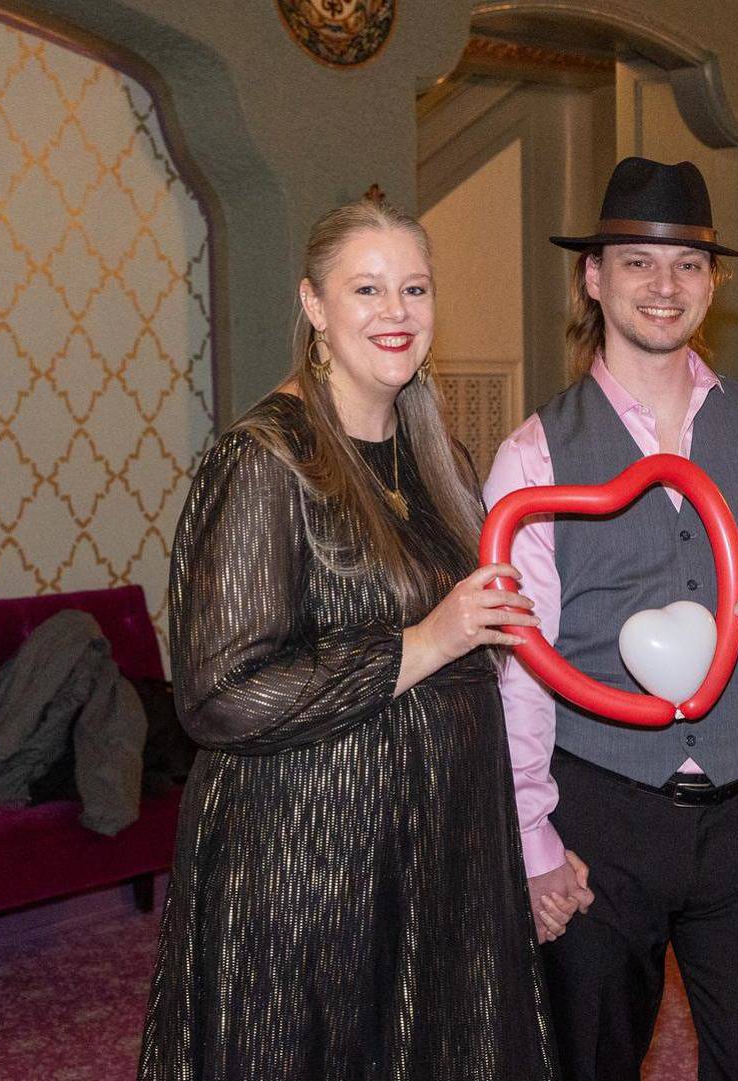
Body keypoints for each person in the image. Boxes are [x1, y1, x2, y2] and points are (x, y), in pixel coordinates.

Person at [139, 201, 557, 1080]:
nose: (395, 311)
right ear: (314, 305)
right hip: (310, 863)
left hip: (436, 856)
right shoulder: (264, 458)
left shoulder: (436, 453)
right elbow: (217, 696)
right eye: (366, 289)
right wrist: (427, 642)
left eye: (414, 288)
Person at [486, 157, 738, 1081]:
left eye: (688, 265)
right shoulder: (535, 453)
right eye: (637, 262)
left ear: (714, 283)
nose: (665, 286)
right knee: (588, 1062)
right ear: (593, 276)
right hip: (599, 819)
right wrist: (535, 840)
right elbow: (518, 670)